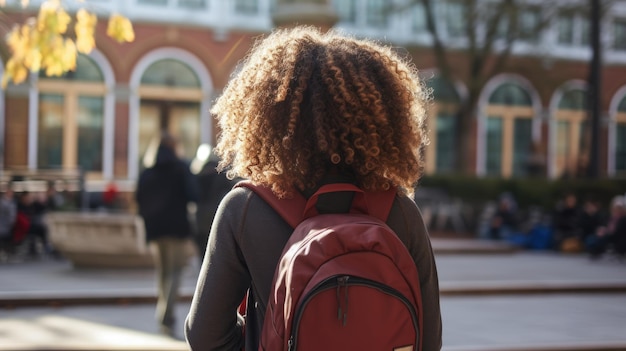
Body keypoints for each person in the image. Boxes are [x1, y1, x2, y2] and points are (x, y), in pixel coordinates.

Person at [185, 27, 442, 351]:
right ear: (379, 117)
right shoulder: (401, 211)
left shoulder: (245, 207)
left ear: (268, 116)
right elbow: (429, 339)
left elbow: (205, 335)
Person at [136, 132, 197, 338]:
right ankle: (166, 314)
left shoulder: (147, 171)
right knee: (176, 271)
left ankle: (163, 311)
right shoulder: (181, 168)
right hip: (177, 227)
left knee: (162, 271)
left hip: (155, 228)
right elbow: (193, 195)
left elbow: (139, 200)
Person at [194, 149, 238, 265]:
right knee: (216, 249)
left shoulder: (197, 177)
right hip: (217, 214)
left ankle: (203, 271)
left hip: (201, 217)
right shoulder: (223, 178)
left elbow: (193, 196)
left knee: (203, 250)